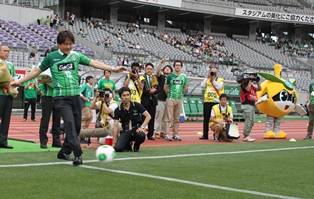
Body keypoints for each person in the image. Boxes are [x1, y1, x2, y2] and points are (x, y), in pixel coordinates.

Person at [10, 30, 127, 165]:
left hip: (75, 97)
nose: (68, 47)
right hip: (60, 97)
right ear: (59, 44)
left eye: (71, 44)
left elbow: (93, 62)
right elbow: (36, 71)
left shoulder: (75, 56)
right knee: (70, 125)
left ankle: (64, 151)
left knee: (76, 127)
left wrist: (113, 68)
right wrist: (19, 82)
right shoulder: (51, 57)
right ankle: (78, 154)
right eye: (65, 44)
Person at [38, 45, 62, 149]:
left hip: (58, 95)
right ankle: (43, 141)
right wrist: (43, 80)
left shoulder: (62, 64)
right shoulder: (45, 64)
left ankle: (56, 141)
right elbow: (39, 79)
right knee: (45, 119)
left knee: (57, 120)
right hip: (47, 96)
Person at [112, 87, 151, 152]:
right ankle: (128, 145)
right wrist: (113, 143)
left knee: (141, 135)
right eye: (124, 95)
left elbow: (148, 116)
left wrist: (142, 127)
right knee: (118, 148)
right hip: (126, 131)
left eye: (128, 95)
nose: (126, 97)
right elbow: (115, 127)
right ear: (120, 97)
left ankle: (136, 146)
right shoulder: (117, 110)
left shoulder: (137, 105)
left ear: (130, 96)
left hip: (137, 130)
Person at [163, 60, 188, 141]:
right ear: (174, 66)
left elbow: (185, 87)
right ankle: (166, 134)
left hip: (179, 99)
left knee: (176, 118)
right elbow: (165, 87)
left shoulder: (184, 76)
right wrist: (169, 95)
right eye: (176, 65)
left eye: (179, 65)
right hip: (170, 98)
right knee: (168, 117)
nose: (177, 66)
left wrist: (180, 94)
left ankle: (175, 134)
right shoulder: (170, 76)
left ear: (181, 67)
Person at [200, 67, 224, 140]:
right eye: (211, 72)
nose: (213, 73)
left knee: (217, 118)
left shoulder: (220, 80)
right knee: (206, 119)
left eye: (214, 72)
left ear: (217, 73)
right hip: (207, 101)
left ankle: (218, 134)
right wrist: (207, 77)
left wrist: (213, 80)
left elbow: (219, 87)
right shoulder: (207, 79)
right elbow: (202, 85)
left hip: (216, 102)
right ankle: (205, 134)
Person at [0, 44, 17, 149]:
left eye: (8, 51)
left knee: (6, 119)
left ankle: (3, 141)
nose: (6, 52)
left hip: (8, 95)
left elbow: (14, 79)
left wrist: (14, 89)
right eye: (4, 50)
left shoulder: (10, 65)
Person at [154, 58, 173, 139]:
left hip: (169, 99)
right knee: (159, 115)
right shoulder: (161, 77)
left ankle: (162, 131)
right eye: (166, 68)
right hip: (160, 98)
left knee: (166, 117)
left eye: (169, 68)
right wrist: (160, 63)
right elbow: (157, 72)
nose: (167, 69)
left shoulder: (172, 79)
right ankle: (157, 131)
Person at [240, 74, 261, 142]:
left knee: (252, 121)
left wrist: (257, 81)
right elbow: (248, 89)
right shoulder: (243, 84)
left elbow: (260, 89)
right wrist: (250, 80)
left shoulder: (252, 86)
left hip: (252, 105)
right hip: (246, 104)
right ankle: (246, 135)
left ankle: (247, 134)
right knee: (248, 120)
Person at [141, 63, 159, 140]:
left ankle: (150, 134)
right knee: (142, 118)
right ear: (145, 69)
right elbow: (141, 90)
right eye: (148, 69)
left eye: (151, 69)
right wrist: (149, 92)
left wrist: (154, 91)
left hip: (153, 101)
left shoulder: (154, 78)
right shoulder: (142, 78)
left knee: (152, 118)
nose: (149, 70)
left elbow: (158, 89)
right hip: (144, 101)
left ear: (153, 70)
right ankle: (141, 133)